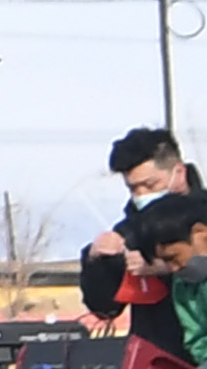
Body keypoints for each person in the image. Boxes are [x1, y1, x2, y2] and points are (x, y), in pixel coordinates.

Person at [80, 127, 197, 355]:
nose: (142, 195)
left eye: (151, 185)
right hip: (153, 358)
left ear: (179, 173)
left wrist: (165, 268)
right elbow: (105, 308)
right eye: (134, 188)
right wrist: (98, 261)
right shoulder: (129, 232)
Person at [130, 189, 207, 369]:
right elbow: (201, 340)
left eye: (173, 258)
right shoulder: (184, 284)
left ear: (199, 232)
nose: (173, 268)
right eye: (164, 262)